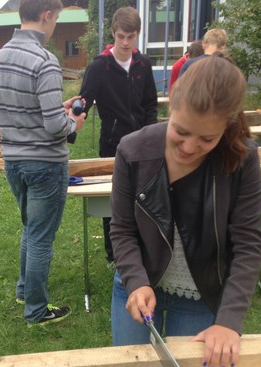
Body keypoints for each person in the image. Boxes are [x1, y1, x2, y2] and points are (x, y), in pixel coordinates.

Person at [109, 56, 261, 367]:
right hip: (137, 290)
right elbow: (122, 229)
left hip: (201, 296)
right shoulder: (133, 150)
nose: (190, 147)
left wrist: (228, 322)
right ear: (170, 103)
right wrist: (136, 281)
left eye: (207, 138)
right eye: (180, 131)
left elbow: (248, 245)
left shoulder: (242, 159)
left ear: (227, 126)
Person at [0, 0, 86, 326]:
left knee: (30, 229)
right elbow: (55, 126)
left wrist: (58, 105)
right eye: (56, 18)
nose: (55, 25)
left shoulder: (0, 57)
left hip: (14, 161)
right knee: (41, 237)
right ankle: (36, 310)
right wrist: (74, 123)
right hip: (45, 164)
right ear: (47, 15)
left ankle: (24, 290)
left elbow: (22, 109)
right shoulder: (45, 61)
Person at [79, 6, 158, 266]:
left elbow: (150, 104)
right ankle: (113, 253)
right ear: (113, 33)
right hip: (113, 144)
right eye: (121, 36)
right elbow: (83, 103)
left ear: (138, 35)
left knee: (144, 195)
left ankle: (141, 247)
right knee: (112, 198)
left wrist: (150, 135)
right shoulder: (99, 67)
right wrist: (69, 128)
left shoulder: (143, 64)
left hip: (143, 143)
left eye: (130, 37)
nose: (125, 42)